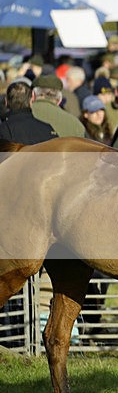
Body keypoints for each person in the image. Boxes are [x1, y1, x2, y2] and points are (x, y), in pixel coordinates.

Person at [0, 81, 57, 346]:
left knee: (13, 277)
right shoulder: (48, 131)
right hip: (49, 216)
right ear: (32, 99)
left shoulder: (4, 131)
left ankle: (13, 338)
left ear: (7, 103)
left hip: (13, 214)